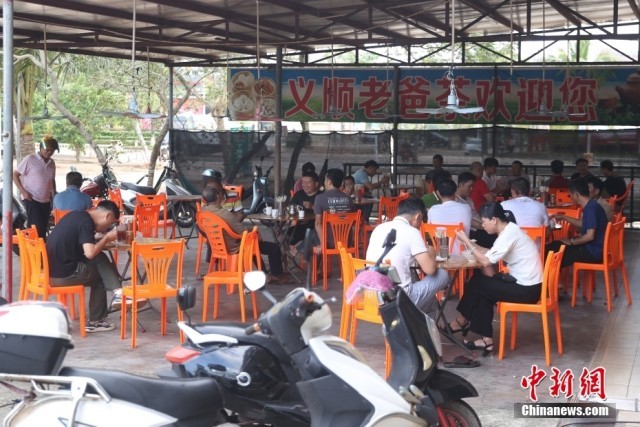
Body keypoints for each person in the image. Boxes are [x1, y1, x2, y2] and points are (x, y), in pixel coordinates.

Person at [448, 203, 543, 356]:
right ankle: (486, 340)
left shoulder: (508, 234)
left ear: (494, 220)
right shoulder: (510, 230)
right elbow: (489, 253)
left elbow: (486, 261)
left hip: (527, 290)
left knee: (478, 283)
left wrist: (466, 241)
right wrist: (471, 244)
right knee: (482, 288)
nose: (482, 225)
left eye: (484, 221)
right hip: (526, 285)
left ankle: (461, 321)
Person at [366, 198, 449, 319]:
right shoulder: (412, 232)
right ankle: (423, 328)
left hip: (371, 295)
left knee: (429, 298)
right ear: (417, 216)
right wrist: (431, 250)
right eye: (421, 220)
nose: (420, 225)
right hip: (396, 299)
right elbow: (430, 270)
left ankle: (421, 327)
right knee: (443, 274)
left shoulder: (379, 228)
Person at [46, 200, 121, 333]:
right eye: (110, 224)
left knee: (100, 257)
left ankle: (118, 291)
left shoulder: (77, 215)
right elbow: (90, 253)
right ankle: (96, 321)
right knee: (100, 276)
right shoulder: (86, 223)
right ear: (107, 216)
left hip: (51, 270)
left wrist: (98, 238)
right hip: (63, 275)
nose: (107, 228)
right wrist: (106, 238)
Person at [201, 186, 286, 283]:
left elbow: (200, 228)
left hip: (216, 247)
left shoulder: (202, 212)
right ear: (217, 196)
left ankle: (264, 273)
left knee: (252, 242)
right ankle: (276, 275)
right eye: (220, 194)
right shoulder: (224, 214)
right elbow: (242, 231)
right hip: (234, 246)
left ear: (204, 199)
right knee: (273, 247)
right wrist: (255, 231)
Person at [546, 178, 607, 268]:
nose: (570, 197)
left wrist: (571, 242)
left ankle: (550, 276)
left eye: (570, 194)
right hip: (592, 248)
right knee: (555, 245)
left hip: (592, 252)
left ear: (576, 195)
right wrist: (563, 217)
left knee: (554, 255)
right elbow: (583, 223)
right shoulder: (591, 205)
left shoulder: (591, 209)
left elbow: (590, 236)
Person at [13, 136, 59, 238]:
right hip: (31, 198)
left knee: (43, 227)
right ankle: (33, 247)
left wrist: (54, 195)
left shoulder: (52, 163)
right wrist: (23, 192)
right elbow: (15, 175)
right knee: (35, 227)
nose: (50, 152)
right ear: (40, 148)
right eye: (47, 150)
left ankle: (40, 247)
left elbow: (52, 180)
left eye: (52, 150)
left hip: (46, 200)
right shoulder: (30, 159)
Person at [313, 168, 354, 253]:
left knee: (309, 235)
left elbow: (318, 223)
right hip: (345, 242)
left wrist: (323, 244)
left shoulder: (320, 198)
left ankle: (299, 255)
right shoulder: (349, 198)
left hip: (328, 242)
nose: (324, 182)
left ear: (329, 181)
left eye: (325, 179)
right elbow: (353, 224)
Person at [427, 178, 472, 254]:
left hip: (441, 254)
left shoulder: (433, 209)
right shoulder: (466, 208)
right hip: (462, 255)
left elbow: (432, 230)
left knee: (441, 234)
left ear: (438, 193)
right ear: (455, 192)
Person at [290, 171, 321, 248]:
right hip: (298, 226)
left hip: (314, 228)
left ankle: (294, 252)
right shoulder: (298, 194)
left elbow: (326, 213)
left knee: (298, 244)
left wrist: (313, 207)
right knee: (280, 237)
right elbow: (290, 209)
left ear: (316, 183)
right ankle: (287, 254)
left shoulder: (321, 196)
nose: (305, 185)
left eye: (308, 182)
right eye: (303, 182)